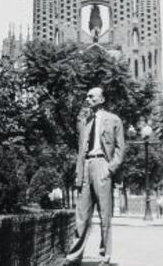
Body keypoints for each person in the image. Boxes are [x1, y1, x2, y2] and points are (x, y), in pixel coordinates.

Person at [64, 87, 125, 266]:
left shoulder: (114, 120)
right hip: (86, 166)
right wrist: (79, 173)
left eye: (91, 96)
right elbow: (80, 150)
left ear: (102, 99)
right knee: (81, 215)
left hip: (102, 166)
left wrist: (110, 169)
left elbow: (121, 149)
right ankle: (74, 257)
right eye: (87, 96)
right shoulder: (85, 121)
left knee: (105, 215)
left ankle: (104, 257)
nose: (87, 98)